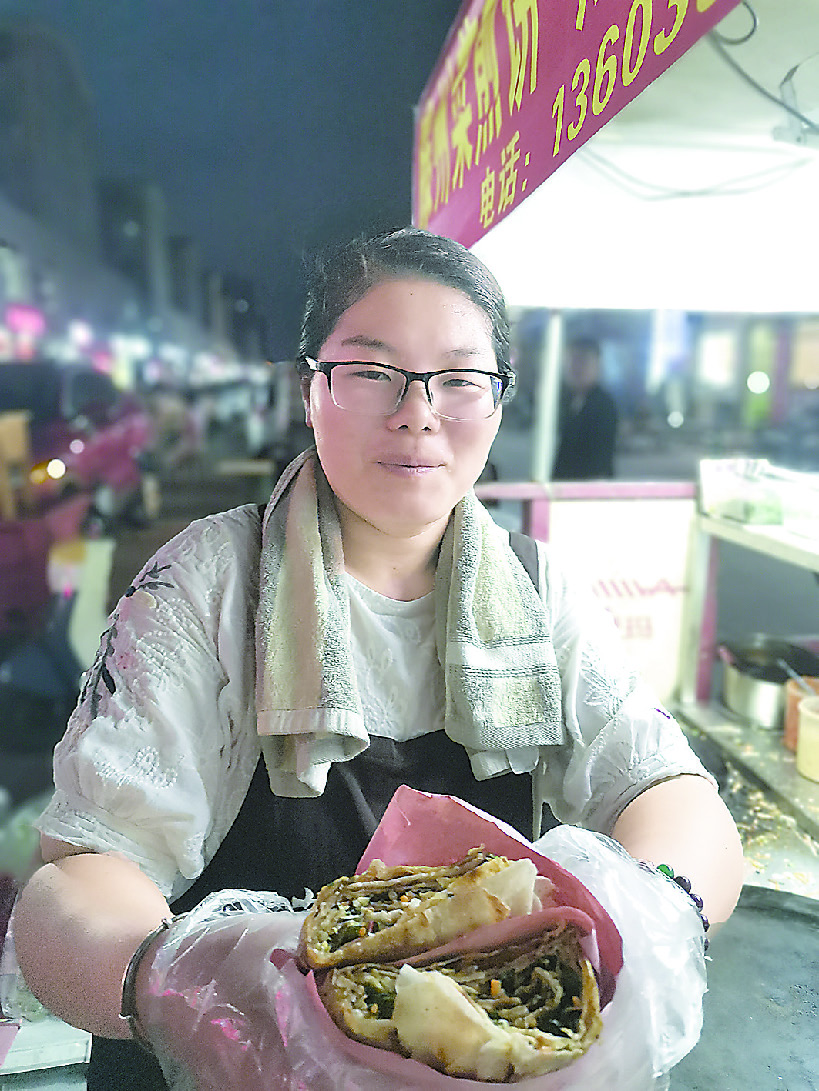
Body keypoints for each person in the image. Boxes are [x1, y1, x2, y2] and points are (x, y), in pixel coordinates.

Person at [12, 228, 743, 1089]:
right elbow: (79, 876)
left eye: (459, 378)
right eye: (371, 371)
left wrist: (656, 913)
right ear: (309, 390)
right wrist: (193, 988)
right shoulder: (207, 582)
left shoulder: (535, 590)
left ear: (497, 402)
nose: (417, 412)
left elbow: (665, 789)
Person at [552, 337, 618, 480]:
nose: (576, 368)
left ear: (598, 366)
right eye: (572, 361)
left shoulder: (604, 406)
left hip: (588, 487)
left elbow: (600, 460)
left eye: (583, 361)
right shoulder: (563, 400)